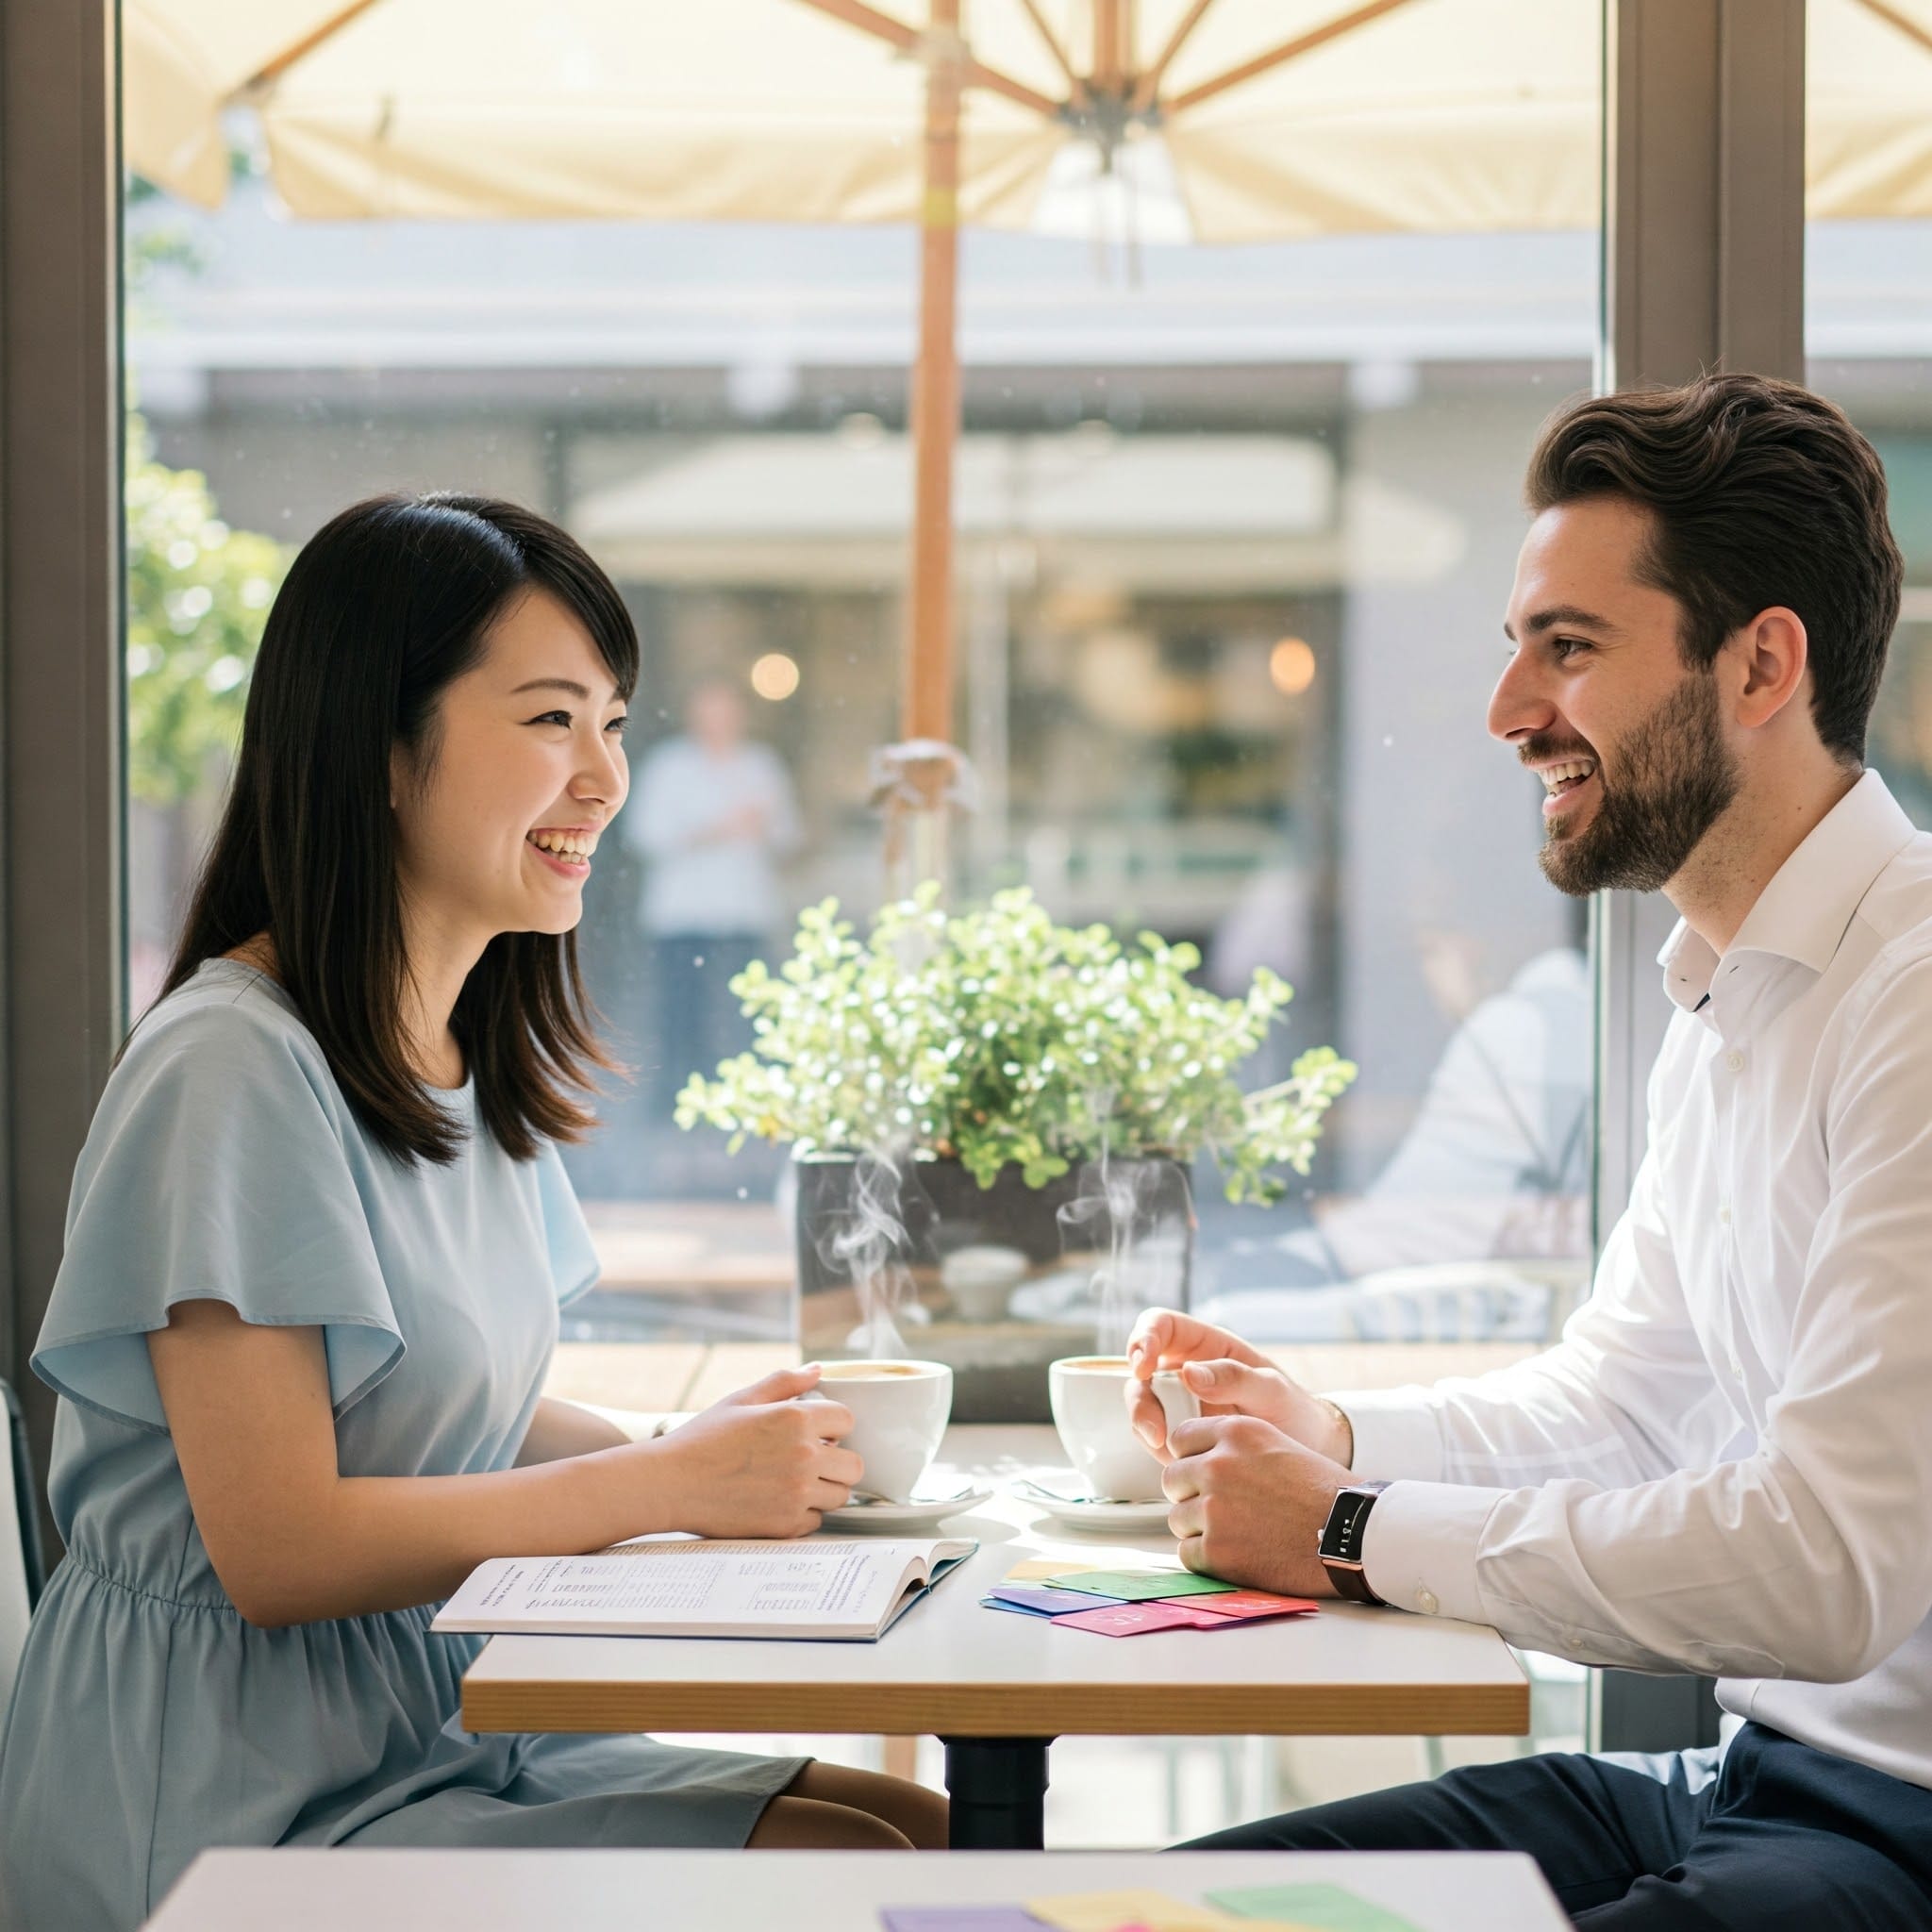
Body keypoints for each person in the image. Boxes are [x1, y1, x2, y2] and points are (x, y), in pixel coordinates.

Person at [0, 495, 942, 1932]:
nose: (608, 778)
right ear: (380, 746)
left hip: (432, 1719)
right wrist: (664, 1489)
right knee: (865, 1872)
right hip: (224, 1787)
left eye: (616, 724)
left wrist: (708, 1457)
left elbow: (455, 1407)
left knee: (919, 1827)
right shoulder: (230, 1068)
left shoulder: (452, 1053)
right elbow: (279, 1547)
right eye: (553, 720)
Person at [1125, 375, 1932, 1928]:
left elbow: (1834, 1565)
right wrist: (1333, 1430)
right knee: (1157, 1911)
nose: (1507, 712)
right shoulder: (1730, 981)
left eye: (1565, 648)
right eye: (1516, 647)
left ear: (1760, 661)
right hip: (1746, 1784)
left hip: (1894, 1829)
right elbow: (1624, 1399)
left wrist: (1349, 1530)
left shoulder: (1914, 989)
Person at [623, 675, 802, 1094]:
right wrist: (716, 830)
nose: (719, 720)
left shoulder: (761, 764)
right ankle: (679, 1096)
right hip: (683, 915)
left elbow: (789, 834)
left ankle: (743, 1097)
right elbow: (644, 836)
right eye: (710, 709)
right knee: (682, 1015)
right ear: (693, 713)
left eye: (727, 710)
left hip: (745, 912)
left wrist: (763, 826)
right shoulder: (668, 766)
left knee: (744, 1015)